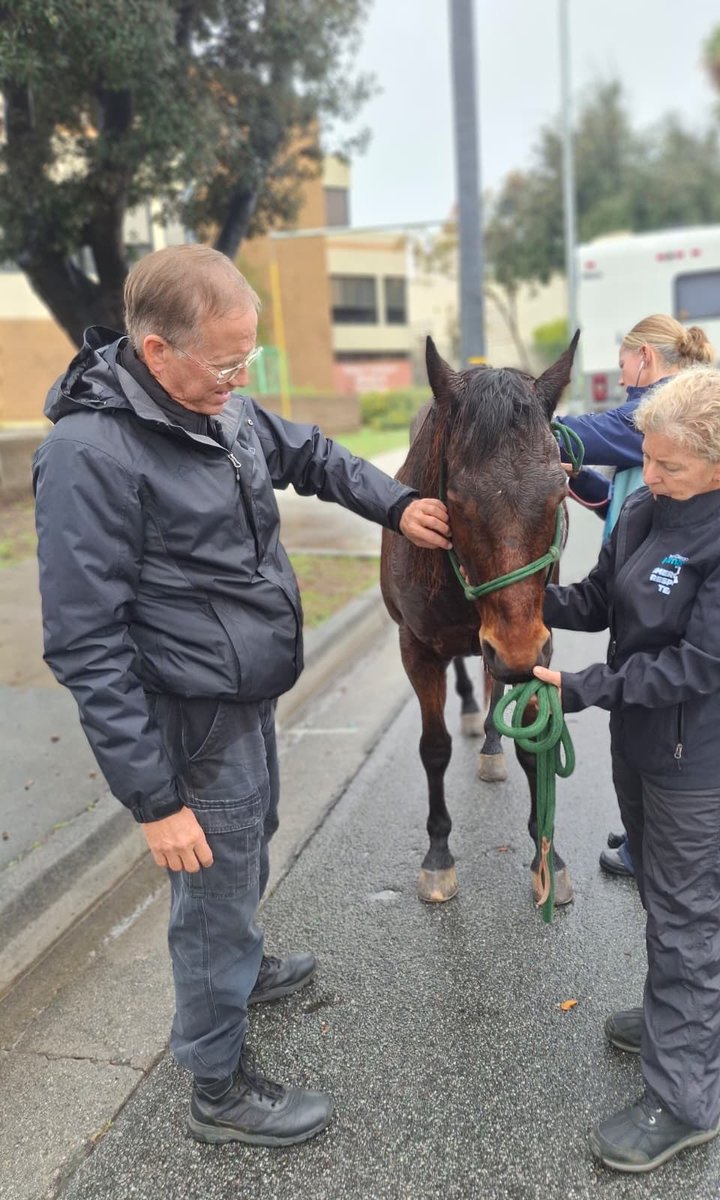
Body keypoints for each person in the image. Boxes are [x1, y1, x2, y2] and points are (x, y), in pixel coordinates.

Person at [32, 244, 451, 1148]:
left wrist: (396, 504)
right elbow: (85, 644)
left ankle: (244, 970)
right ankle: (217, 1089)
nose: (241, 379)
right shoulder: (87, 455)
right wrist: (154, 803)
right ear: (156, 351)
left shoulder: (216, 406)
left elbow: (311, 454)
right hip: (188, 713)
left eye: (247, 356)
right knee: (213, 895)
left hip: (245, 689)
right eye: (226, 363)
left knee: (252, 838)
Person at [535, 368, 720, 1173]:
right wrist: (521, 600)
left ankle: (684, 1102)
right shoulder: (646, 508)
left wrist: (583, 687)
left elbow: (700, 665)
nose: (648, 474)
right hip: (642, 742)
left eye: (669, 464)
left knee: (688, 922)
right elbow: (600, 599)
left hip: (700, 761)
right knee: (660, 891)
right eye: (645, 456)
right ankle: (679, 1022)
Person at [555, 314, 715, 879]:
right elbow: (618, 495)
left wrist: (518, 422)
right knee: (640, 708)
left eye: (622, 362)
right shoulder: (654, 420)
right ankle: (643, 829)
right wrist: (577, 476)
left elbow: (572, 434)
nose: (621, 375)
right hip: (635, 577)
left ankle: (651, 845)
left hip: (653, 584)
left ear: (644, 357)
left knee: (653, 709)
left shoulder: (658, 411)